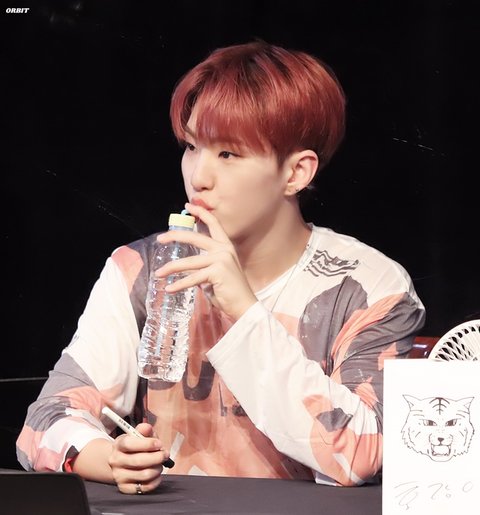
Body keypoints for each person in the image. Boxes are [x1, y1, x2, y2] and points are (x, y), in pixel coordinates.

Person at [17, 41, 425, 494]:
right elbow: (44, 423)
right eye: (192, 146)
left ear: (296, 173)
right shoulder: (142, 268)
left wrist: (245, 312)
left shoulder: (368, 286)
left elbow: (364, 453)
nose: (198, 176)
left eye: (227, 154)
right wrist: (108, 458)